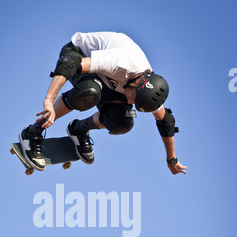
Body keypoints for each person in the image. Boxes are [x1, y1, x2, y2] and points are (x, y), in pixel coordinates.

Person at [19, 31, 187, 175]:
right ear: (138, 83)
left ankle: (78, 129)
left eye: (134, 102)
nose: (130, 101)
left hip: (108, 77)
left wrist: (172, 159)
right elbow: (71, 64)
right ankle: (33, 132)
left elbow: (166, 122)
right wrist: (49, 99)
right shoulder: (120, 61)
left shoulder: (148, 89)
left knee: (122, 121)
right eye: (133, 98)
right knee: (89, 91)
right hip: (79, 54)